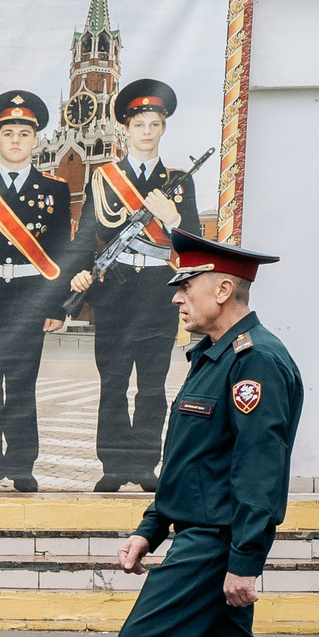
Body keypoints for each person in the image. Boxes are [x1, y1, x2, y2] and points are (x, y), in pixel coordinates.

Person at [114, 229, 302, 637]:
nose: (176, 298)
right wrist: (150, 527)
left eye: (185, 285)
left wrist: (246, 561)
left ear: (224, 288)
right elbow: (190, 462)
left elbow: (259, 469)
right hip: (196, 529)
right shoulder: (214, 356)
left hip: (218, 542)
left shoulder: (255, 362)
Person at [84, 79, 202, 492]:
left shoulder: (179, 181)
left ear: (163, 129)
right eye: (139, 124)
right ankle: (114, 466)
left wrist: (173, 218)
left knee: (152, 386)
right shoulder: (103, 179)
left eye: (154, 123)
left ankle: (145, 465)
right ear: (126, 130)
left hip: (158, 292)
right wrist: (79, 274)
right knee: (112, 382)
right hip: (114, 292)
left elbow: (194, 243)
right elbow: (86, 236)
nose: (147, 131)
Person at [0, 91, 79, 493]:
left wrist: (58, 306)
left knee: (22, 385)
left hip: (30, 297)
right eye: (8, 132)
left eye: (24, 133)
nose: (15, 139)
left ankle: (21, 465)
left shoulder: (56, 189)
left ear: (35, 141)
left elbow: (63, 249)